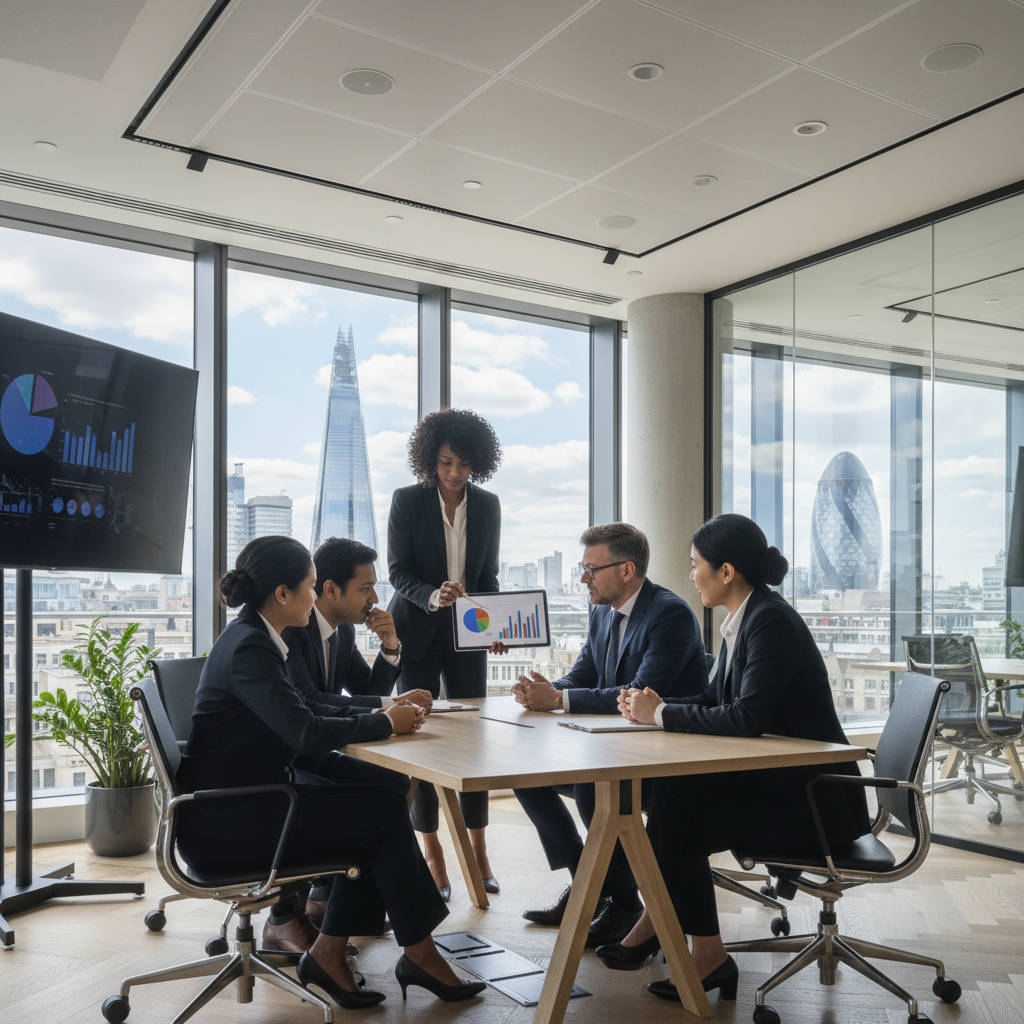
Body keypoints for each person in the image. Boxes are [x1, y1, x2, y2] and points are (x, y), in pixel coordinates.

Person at [175, 535, 485, 1008]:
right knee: (379, 815)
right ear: (283, 594)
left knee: (380, 800)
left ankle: (345, 951)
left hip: (254, 799)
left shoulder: (257, 637)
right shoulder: (250, 649)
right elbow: (304, 729)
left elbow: (306, 716)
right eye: (311, 585)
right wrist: (384, 721)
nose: (316, 595)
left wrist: (386, 702)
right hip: (232, 819)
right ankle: (411, 952)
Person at [602, 513, 870, 1004]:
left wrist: (661, 715)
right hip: (783, 787)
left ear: (726, 572)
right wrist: (655, 709)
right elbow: (713, 698)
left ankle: (672, 934)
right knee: (673, 802)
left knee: (675, 814)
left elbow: (746, 717)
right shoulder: (747, 616)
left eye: (694, 564)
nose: (689, 575)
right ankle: (695, 949)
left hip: (815, 802)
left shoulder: (770, 621)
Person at [511, 522, 708, 947]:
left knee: (591, 788)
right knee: (525, 776)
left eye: (590, 569)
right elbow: (584, 672)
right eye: (582, 568)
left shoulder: (669, 614)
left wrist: (560, 702)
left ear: (626, 570)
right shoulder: (601, 610)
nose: (583, 579)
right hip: (616, 747)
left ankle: (621, 902)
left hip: (669, 757)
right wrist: (548, 691)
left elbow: (636, 692)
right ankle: (591, 885)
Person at [280, 535, 433, 939]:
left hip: (314, 751)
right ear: (330, 589)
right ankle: (286, 913)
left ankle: (327, 895)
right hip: (289, 758)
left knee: (394, 782)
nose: (374, 598)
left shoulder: (342, 632)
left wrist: (390, 647)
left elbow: (361, 685)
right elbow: (308, 699)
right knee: (372, 805)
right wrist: (389, 709)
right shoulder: (292, 629)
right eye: (366, 588)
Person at [387, 408, 507, 899]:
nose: (455, 473)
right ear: (429, 460)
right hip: (416, 627)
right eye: (445, 463)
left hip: (467, 634)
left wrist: (494, 623)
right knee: (421, 736)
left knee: (471, 739)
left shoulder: (489, 505)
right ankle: (433, 855)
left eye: (464, 464)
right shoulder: (406, 501)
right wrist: (435, 595)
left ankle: (478, 851)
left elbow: (489, 577)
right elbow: (397, 571)